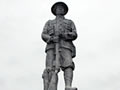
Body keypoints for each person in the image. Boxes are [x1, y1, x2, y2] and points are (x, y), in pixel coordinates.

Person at [41, 2, 77, 90]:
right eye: (58, 8)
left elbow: (75, 34)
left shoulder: (70, 22)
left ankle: (68, 86)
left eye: (62, 8)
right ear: (55, 10)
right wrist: (51, 38)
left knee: (68, 65)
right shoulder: (49, 23)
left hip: (66, 46)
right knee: (50, 68)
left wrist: (64, 34)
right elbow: (43, 34)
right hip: (51, 47)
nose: (60, 9)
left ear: (65, 11)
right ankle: (49, 86)